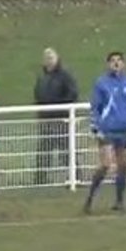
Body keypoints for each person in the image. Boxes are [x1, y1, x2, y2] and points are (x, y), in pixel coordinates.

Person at [84, 51, 126, 215]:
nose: (116, 63)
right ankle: (90, 198)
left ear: (124, 64)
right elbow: (96, 107)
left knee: (123, 165)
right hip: (107, 130)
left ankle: (119, 201)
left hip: (124, 129)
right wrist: (95, 127)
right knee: (105, 165)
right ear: (108, 64)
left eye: (119, 60)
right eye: (113, 61)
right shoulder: (102, 84)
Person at [33, 48, 79, 186]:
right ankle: (40, 179)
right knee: (44, 150)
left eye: (51, 57)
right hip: (46, 120)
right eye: (46, 57)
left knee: (66, 149)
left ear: (57, 58)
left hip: (62, 119)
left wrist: (60, 107)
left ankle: (74, 177)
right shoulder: (42, 78)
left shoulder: (65, 75)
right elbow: (37, 94)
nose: (48, 60)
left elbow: (73, 93)